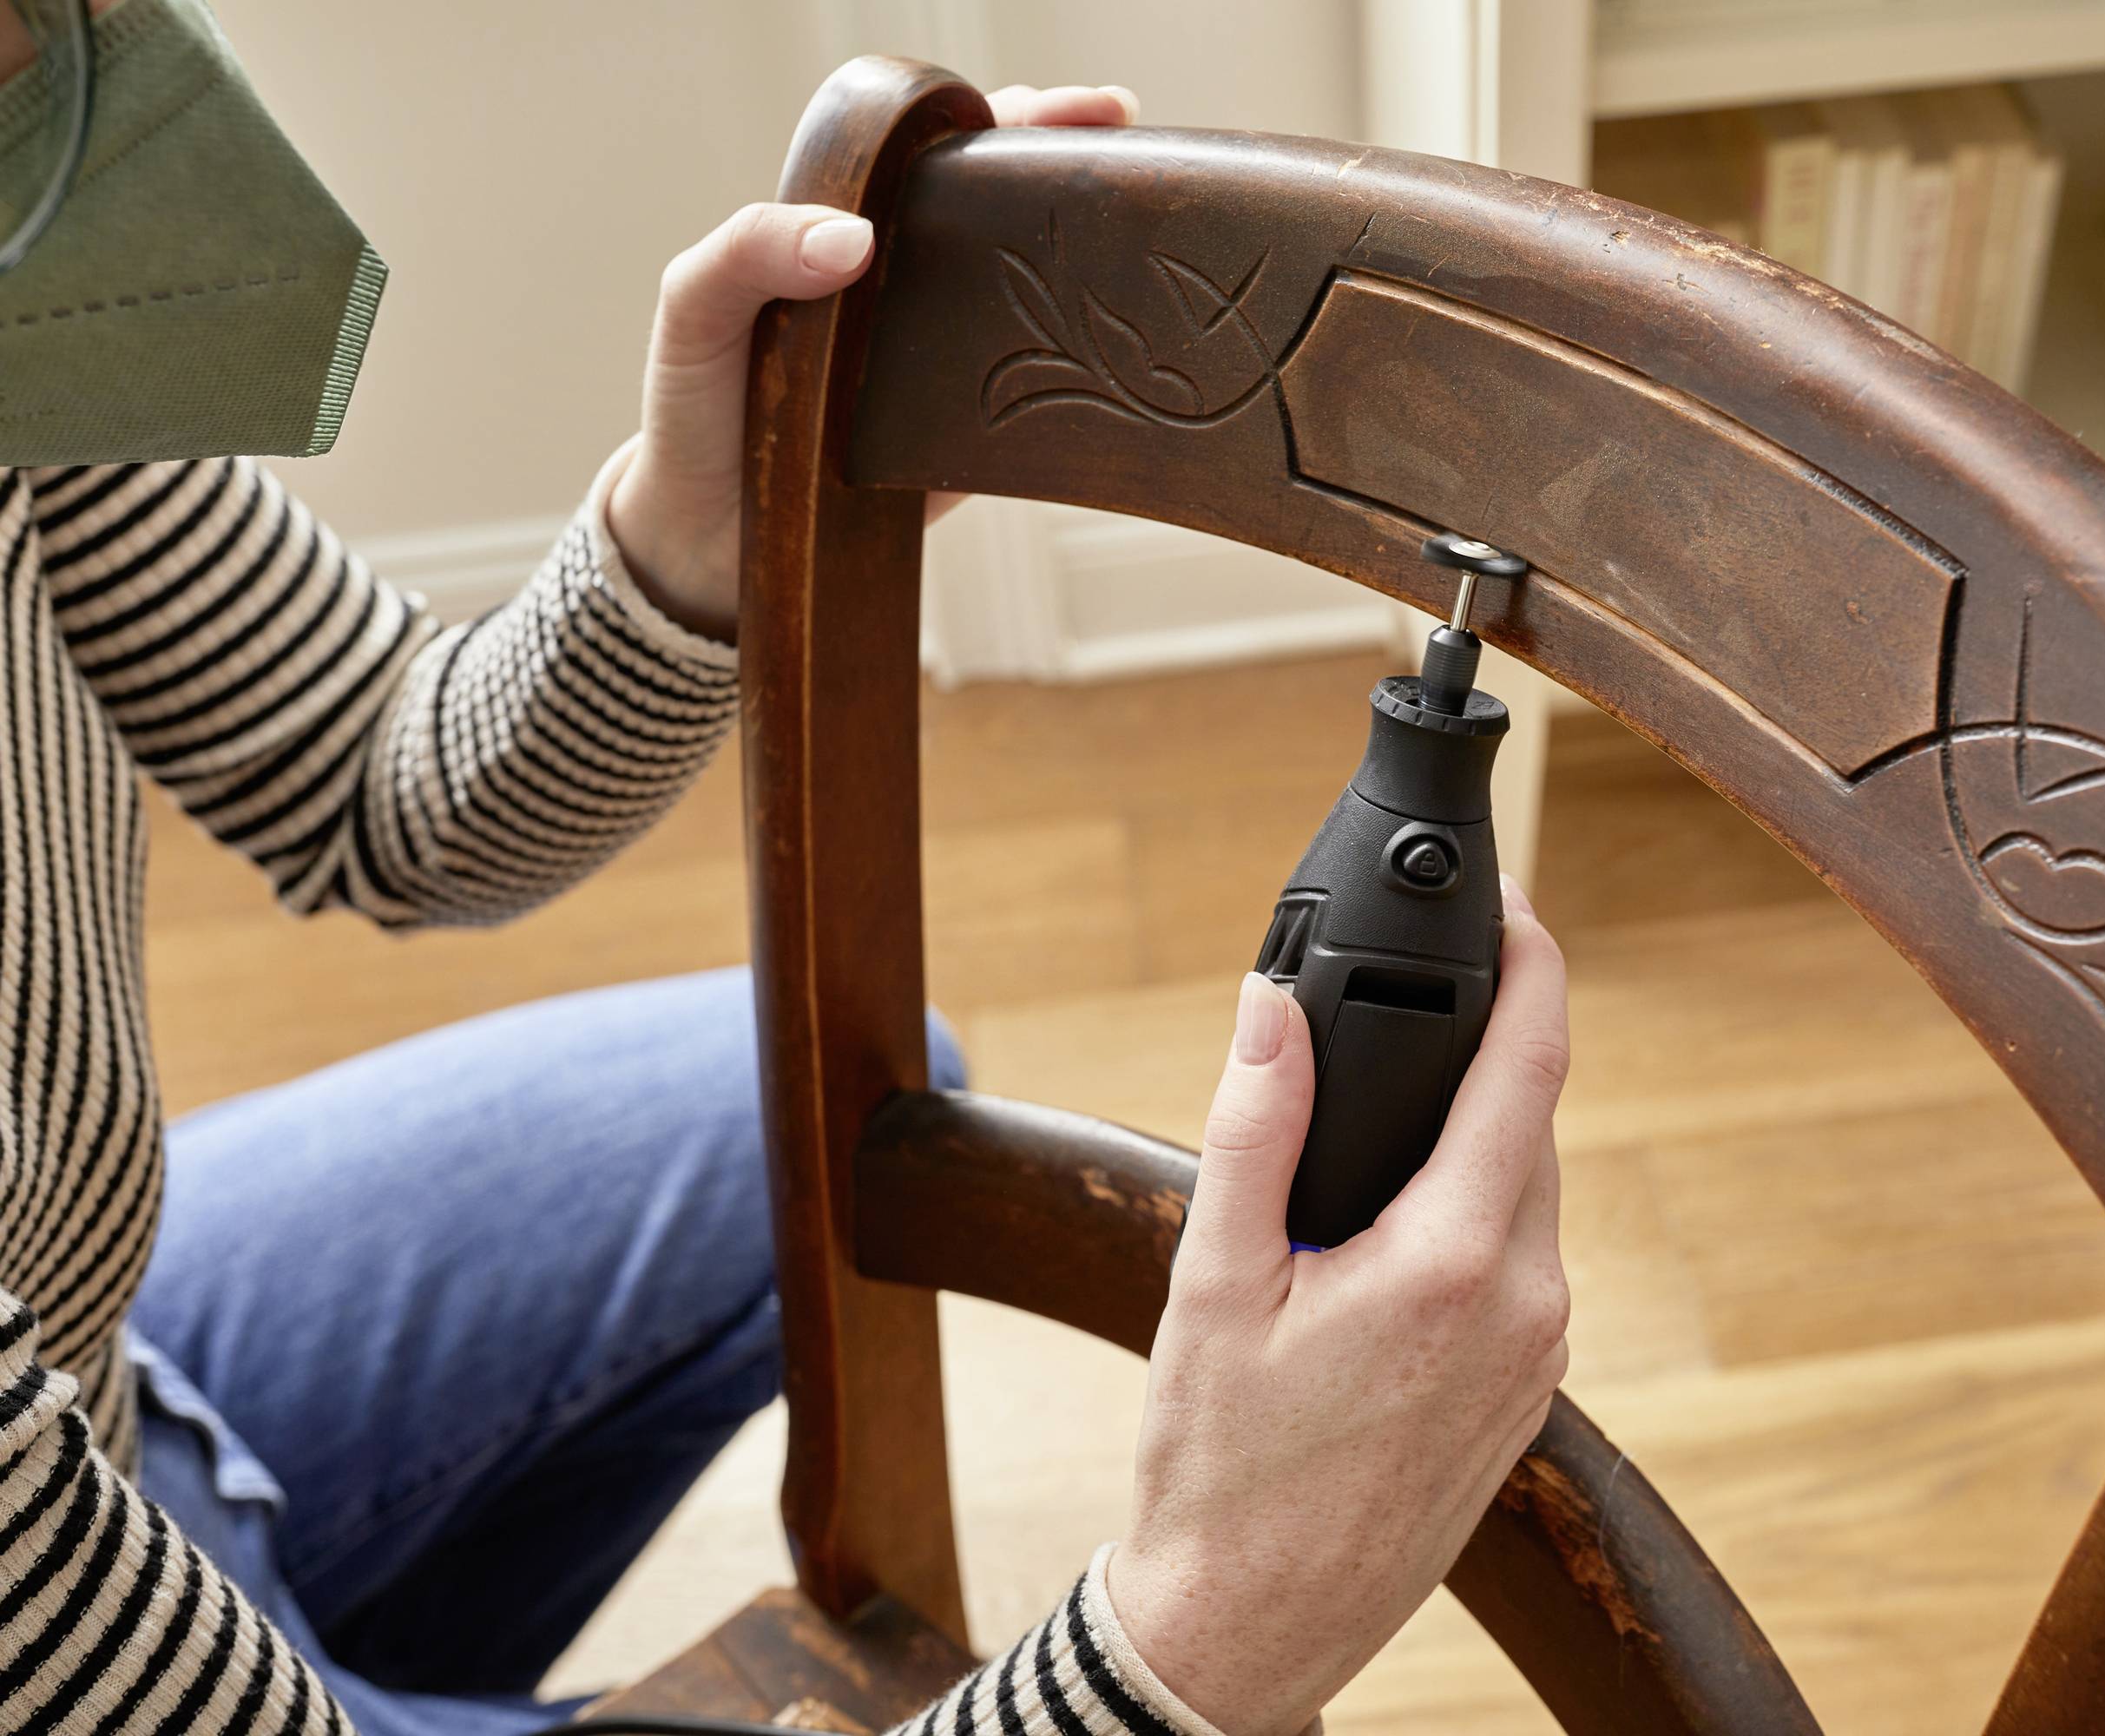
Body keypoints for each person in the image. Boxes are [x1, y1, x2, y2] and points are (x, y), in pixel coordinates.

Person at [0, 4, 1575, 1736]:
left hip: (104, 1377)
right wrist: (1200, 1643)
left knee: (832, 1117)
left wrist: (697, 536)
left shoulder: (22, 254)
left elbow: (382, 784)